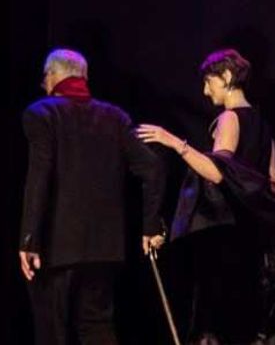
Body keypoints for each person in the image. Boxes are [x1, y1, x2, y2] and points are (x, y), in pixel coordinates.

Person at [136, 49, 275, 344]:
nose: (204, 90)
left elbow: (217, 172)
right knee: (259, 322)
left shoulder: (228, 119)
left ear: (225, 77)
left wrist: (173, 142)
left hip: (231, 236)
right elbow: (273, 181)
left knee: (222, 321)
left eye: (208, 82)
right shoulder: (263, 124)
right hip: (262, 238)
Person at [19, 48, 167, 345]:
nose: (44, 84)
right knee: (97, 329)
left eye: (45, 77)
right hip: (105, 248)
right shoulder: (115, 117)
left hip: (55, 247)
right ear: (83, 77)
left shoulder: (42, 112)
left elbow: (40, 176)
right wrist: (150, 225)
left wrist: (29, 239)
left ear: (53, 76)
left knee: (53, 332)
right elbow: (153, 168)